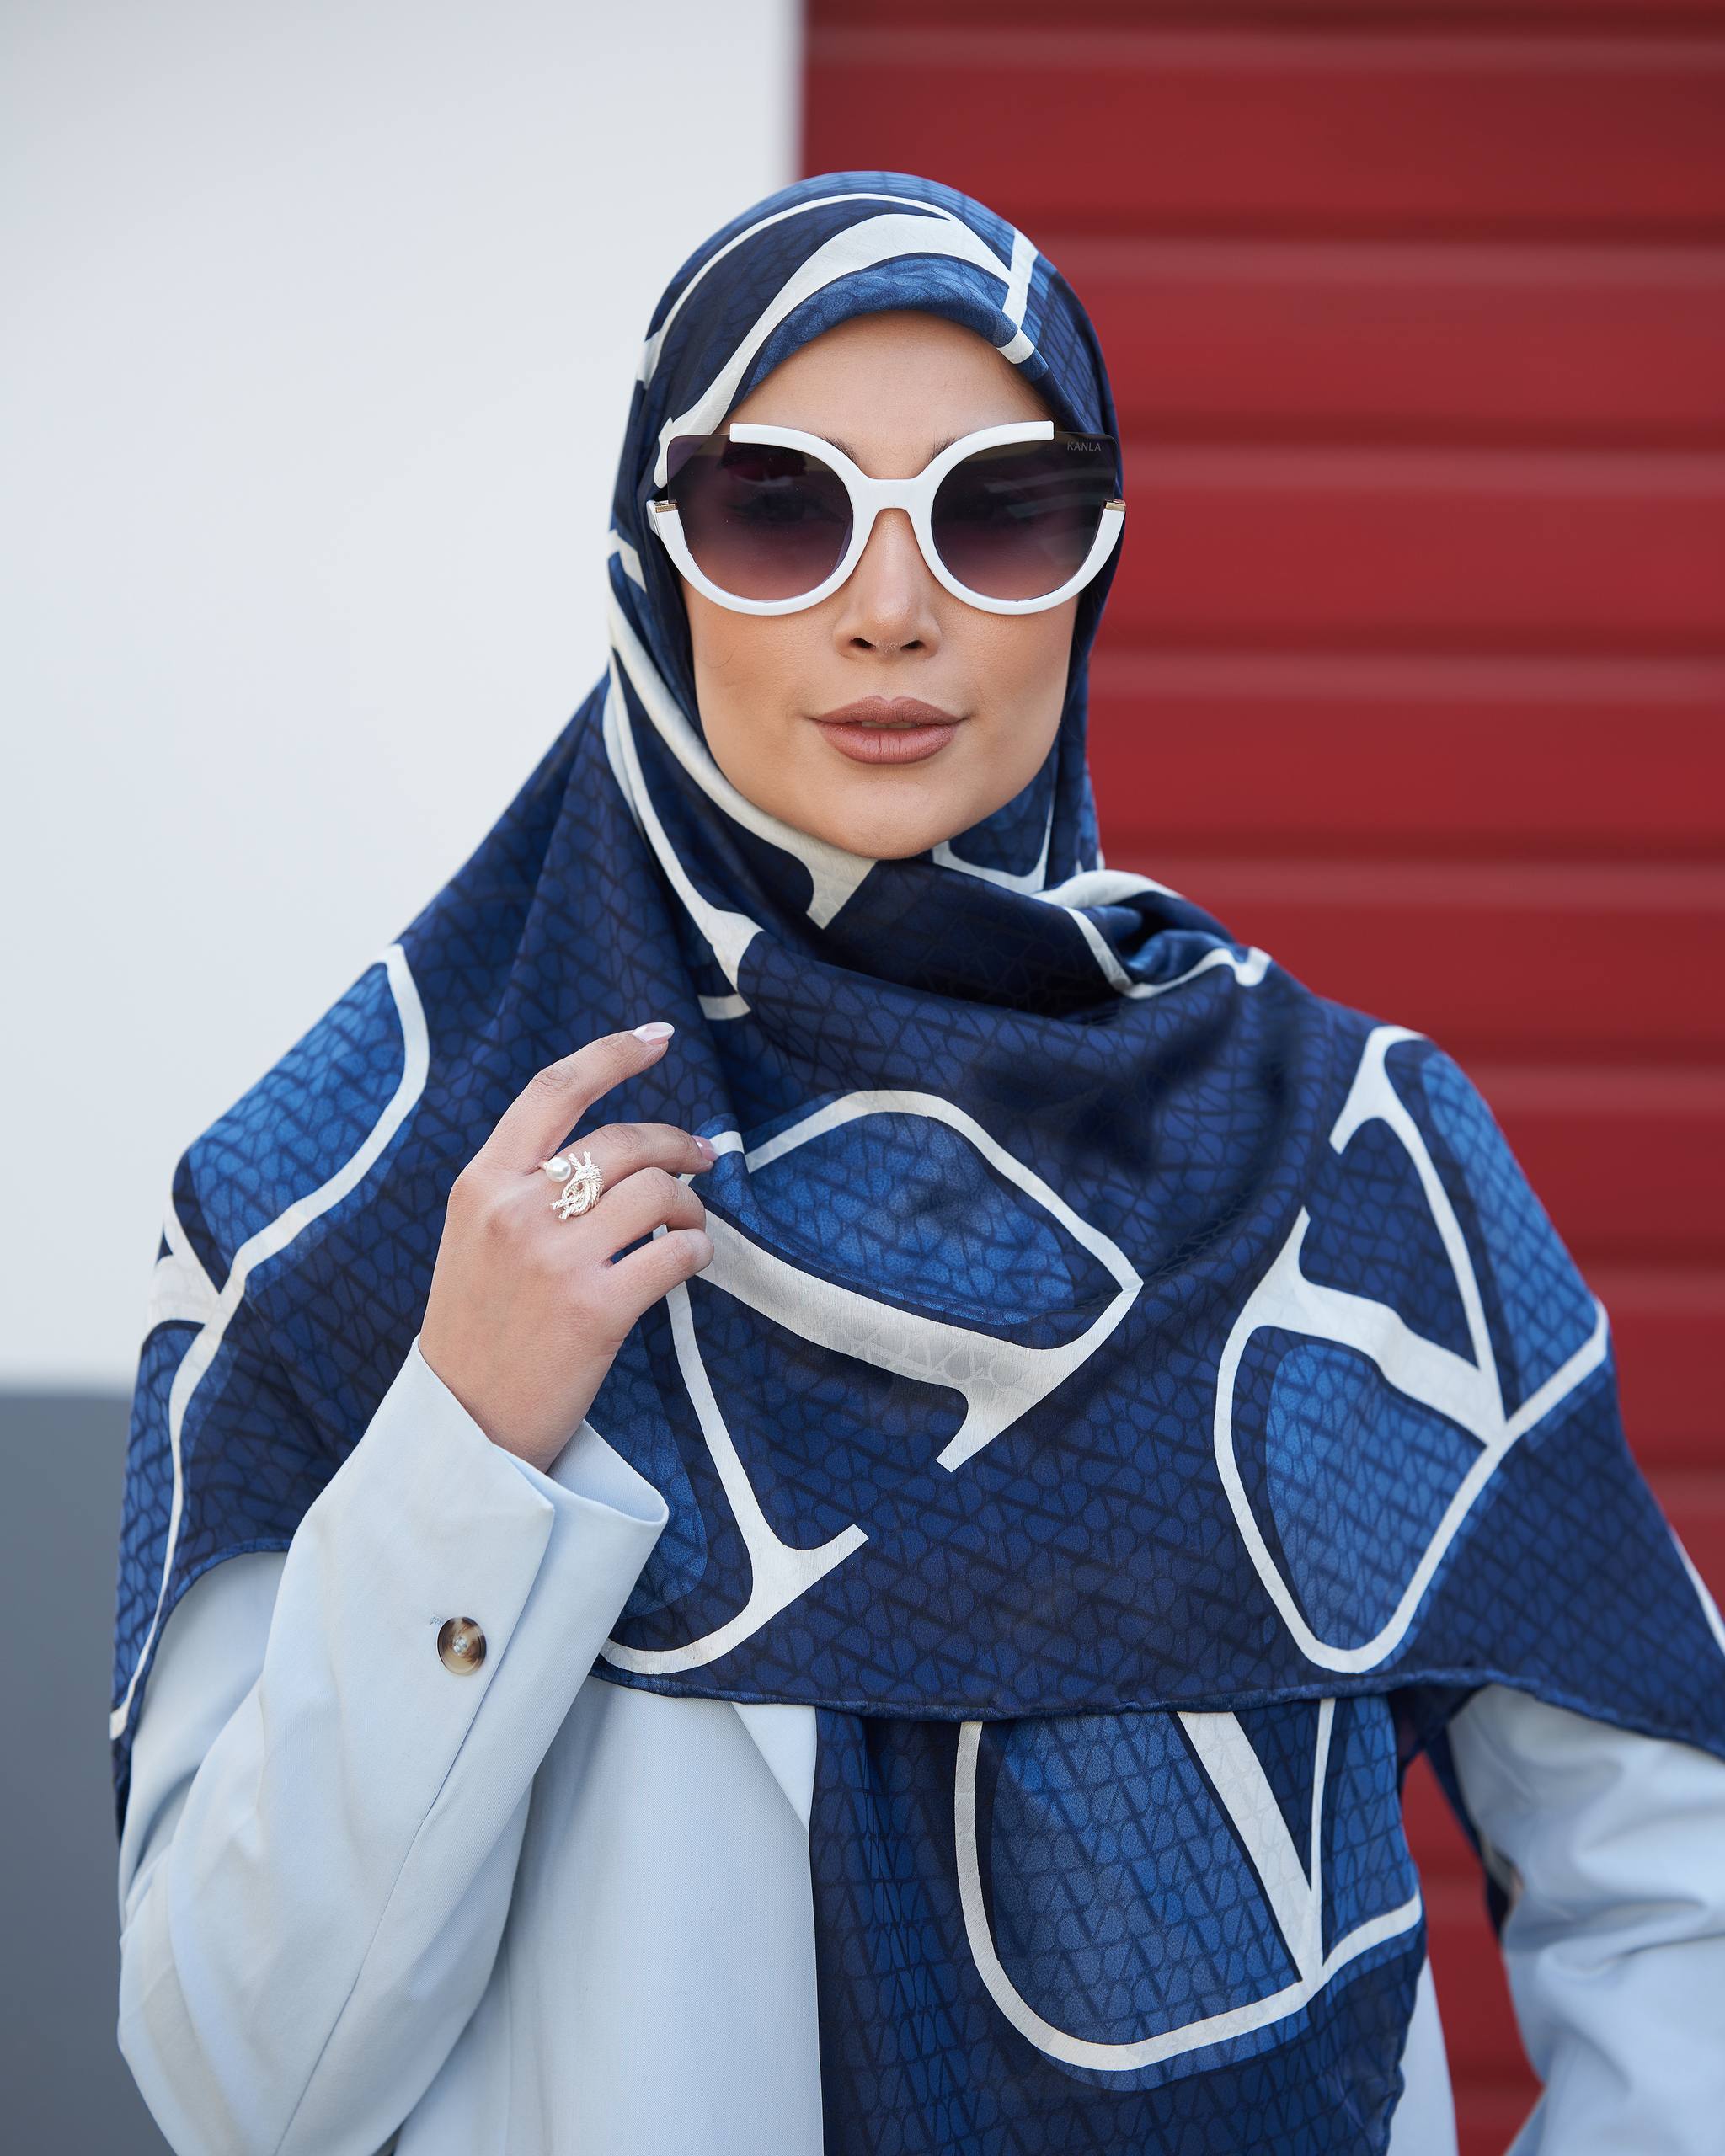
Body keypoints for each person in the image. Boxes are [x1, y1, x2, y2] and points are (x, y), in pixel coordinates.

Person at [111, 172, 1725, 2156]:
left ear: (1090, 567)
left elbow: (1676, 1896)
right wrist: (465, 1445)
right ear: (653, 557)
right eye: (779, 508)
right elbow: (234, 2079)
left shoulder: (1339, 1168)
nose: (892, 604)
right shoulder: (351, 1202)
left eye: (998, 511)